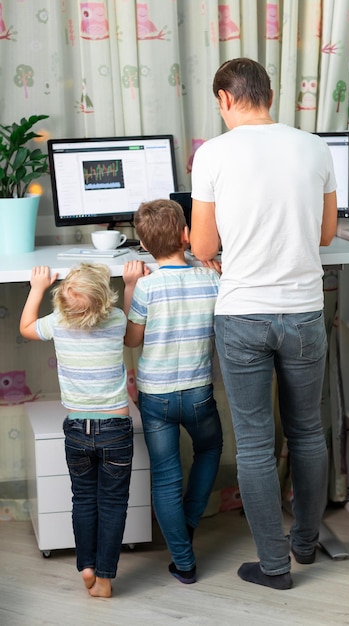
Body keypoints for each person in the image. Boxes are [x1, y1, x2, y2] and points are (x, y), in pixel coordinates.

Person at [189, 57, 338, 591]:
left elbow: (203, 246)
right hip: (303, 310)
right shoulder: (314, 146)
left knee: (254, 444)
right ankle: (305, 545)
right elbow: (324, 234)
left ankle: (273, 567)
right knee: (307, 434)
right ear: (268, 96)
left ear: (226, 99)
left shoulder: (213, 154)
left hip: (243, 313)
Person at [122, 199, 223, 584]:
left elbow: (133, 340)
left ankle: (184, 560)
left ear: (144, 247)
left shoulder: (147, 286)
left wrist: (130, 285)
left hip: (156, 396)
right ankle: (189, 522)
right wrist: (217, 270)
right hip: (198, 393)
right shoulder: (211, 279)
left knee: (165, 476)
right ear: (186, 235)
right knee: (210, 448)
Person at [20, 263, 133, 598]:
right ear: (104, 302)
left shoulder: (57, 322)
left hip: (76, 430)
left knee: (83, 498)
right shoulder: (117, 321)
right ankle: (105, 579)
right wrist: (129, 285)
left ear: (63, 302)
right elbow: (130, 332)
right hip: (116, 427)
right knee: (112, 503)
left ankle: (86, 565)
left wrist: (37, 287)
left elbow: (26, 326)